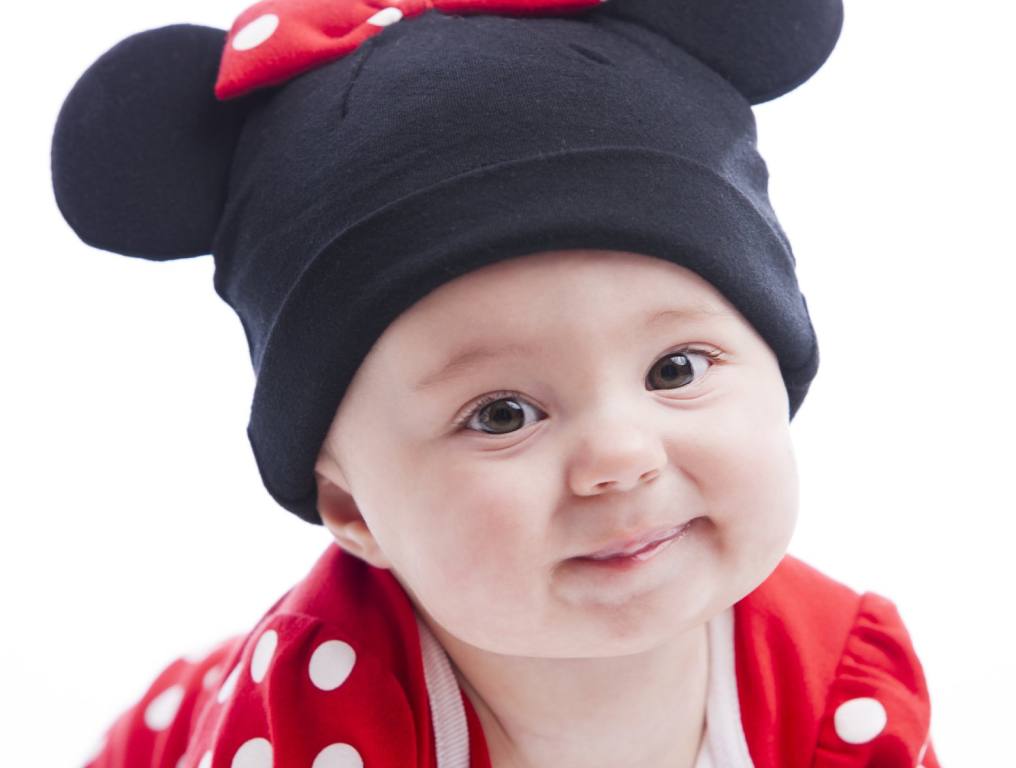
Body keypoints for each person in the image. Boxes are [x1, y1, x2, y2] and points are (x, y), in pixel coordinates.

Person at [51, 0, 941, 766]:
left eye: (674, 370)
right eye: (502, 413)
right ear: (354, 511)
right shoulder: (303, 721)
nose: (620, 458)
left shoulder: (837, 686)